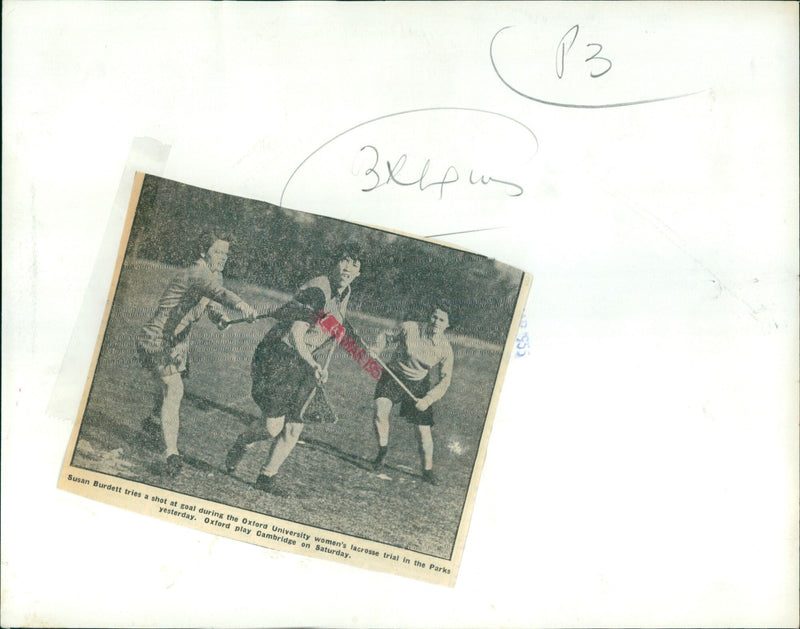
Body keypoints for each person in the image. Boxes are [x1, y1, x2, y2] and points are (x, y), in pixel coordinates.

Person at [225, 243, 363, 495]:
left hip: (303, 360)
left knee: (294, 426)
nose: (347, 267)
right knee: (271, 428)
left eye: (354, 264)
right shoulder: (317, 291)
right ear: (334, 263)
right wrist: (313, 364)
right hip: (278, 356)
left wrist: (345, 336)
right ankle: (241, 443)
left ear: (359, 271)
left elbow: (330, 321)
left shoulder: (345, 291)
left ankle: (266, 477)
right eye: (343, 260)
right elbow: (295, 335)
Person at [136, 229, 257, 476]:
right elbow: (218, 293)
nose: (223, 257)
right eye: (218, 252)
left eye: (226, 252)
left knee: (169, 390)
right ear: (203, 252)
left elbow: (211, 302)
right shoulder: (197, 272)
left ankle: (151, 426)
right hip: (158, 339)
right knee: (174, 389)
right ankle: (171, 454)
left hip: (178, 342)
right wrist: (241, 305)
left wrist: (219, 316)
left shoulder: (215, 275)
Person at [370, 304, 454, 485]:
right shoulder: (410, 328)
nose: (436, 322)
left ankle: (427, 471)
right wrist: (377, 348)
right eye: (434, 317)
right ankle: (382, 451)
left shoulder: (445, 350)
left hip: (418, 386)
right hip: (393, 376)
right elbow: (386, 335)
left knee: (423, 432)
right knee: (380, 411)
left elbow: (445, 380)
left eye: (441, 320)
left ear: (447, 325)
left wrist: (428, 399)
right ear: (429, 317)